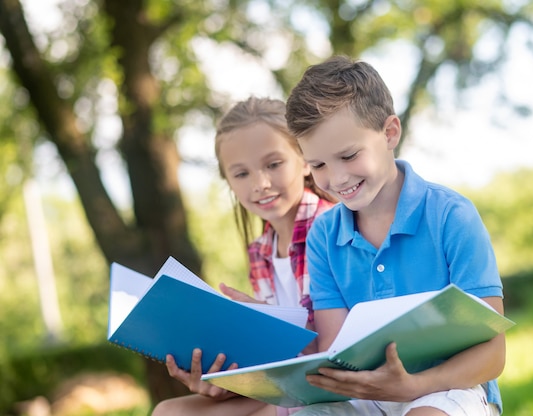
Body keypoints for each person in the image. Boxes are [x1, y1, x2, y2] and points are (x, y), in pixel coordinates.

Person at [283, 55, 506, 416]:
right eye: (319, 165)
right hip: (365, 390)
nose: (337, 179)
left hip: (449, 387)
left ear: (389, 133)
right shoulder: (323, 236)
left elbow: (493, 355)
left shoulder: (451, 216)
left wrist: (413, 387)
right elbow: (338, 351)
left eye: (349, 155)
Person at [151, 97, 335, 416]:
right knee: (169, 412)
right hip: (289, 384)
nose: (260, 184)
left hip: (327, 386)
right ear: (229, 183)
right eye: (241, 174)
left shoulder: (330, 228)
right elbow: (275, 360)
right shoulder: (260, 250)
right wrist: (222, 379)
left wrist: (267, 321)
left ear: (306, 160)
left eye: (273, 165)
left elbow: (333, 347)